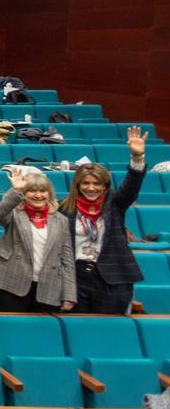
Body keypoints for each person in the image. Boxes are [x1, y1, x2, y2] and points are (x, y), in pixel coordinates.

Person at [58, 126, 149, 314]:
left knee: (109, 331)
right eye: (86, 183)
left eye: (97, 183)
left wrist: (137, 158)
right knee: (78, 330)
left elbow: (132, 186)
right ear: (77, 185)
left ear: (105, 186)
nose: (91, 188)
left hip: (112, 278)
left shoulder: (115, 202)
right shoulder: (64, 208)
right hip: (75, 277)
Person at [0, 168, 76, 313]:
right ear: (24, 194)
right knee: (13, 328)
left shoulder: (61, 220)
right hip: (11, 282)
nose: (38, 195)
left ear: (49, 194)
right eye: (32, 191)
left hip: (48, 285)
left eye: (43, 191)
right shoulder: (15, 213)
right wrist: (15, 190)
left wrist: (69, 294)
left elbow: (67, 258)